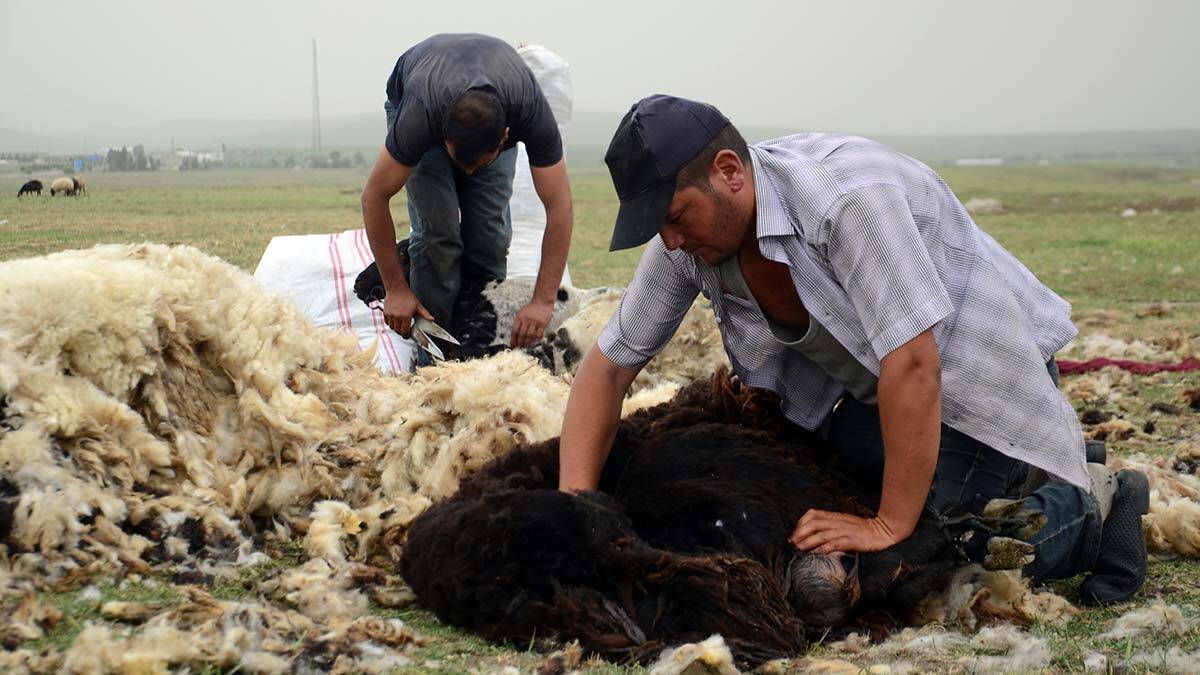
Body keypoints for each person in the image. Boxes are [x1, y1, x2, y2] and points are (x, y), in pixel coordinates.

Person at [557, 94, 1150, 605]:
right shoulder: (691, 244)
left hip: (976, 378)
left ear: (730, 171)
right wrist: (578, 510)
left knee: (911, 561)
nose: (671, 240)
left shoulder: (848, 201)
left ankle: (1093, 507)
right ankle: (1021, 467)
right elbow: (608, 369)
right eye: (659, 228)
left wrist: (890, 524)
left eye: (677, 217)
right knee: (817, 499)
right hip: (878, 392)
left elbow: (916, 362)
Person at [361, 33, 573, 353]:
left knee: (489, 236)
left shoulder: (529, 111)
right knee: (439, 235)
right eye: (461, 162)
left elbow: (560, 207)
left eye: (478, 165)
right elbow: (373, 197)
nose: (468, 173)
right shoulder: (419, 118)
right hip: (419, 89)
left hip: (493, 105)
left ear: (504, 138)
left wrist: (543, 301)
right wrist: (395, 289)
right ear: (443, 136)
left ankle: (480, 340)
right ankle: (437, 358)